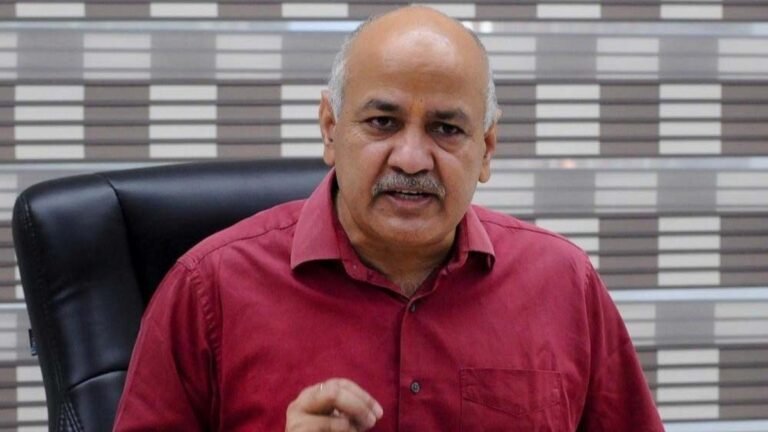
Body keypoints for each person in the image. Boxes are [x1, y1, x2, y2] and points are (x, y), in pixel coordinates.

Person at [113, 5, 664, 431]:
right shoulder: (207, 290)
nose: (412, 158)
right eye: (382, 122)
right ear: (330, 128)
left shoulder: (562, 284)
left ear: (488, 148)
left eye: (446, 129)